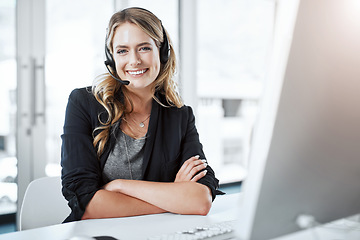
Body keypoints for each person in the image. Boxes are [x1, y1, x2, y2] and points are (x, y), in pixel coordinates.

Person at [61, 7, 222, 223]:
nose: (134, 60)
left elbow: (200, 200)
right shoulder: (84, 103)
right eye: (122, 51)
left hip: (158, 234)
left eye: (144, 48)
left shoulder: (180, 117)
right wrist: (172, 196)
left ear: (162, 52)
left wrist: (120, 186)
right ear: (111, 58)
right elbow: (86, 203)